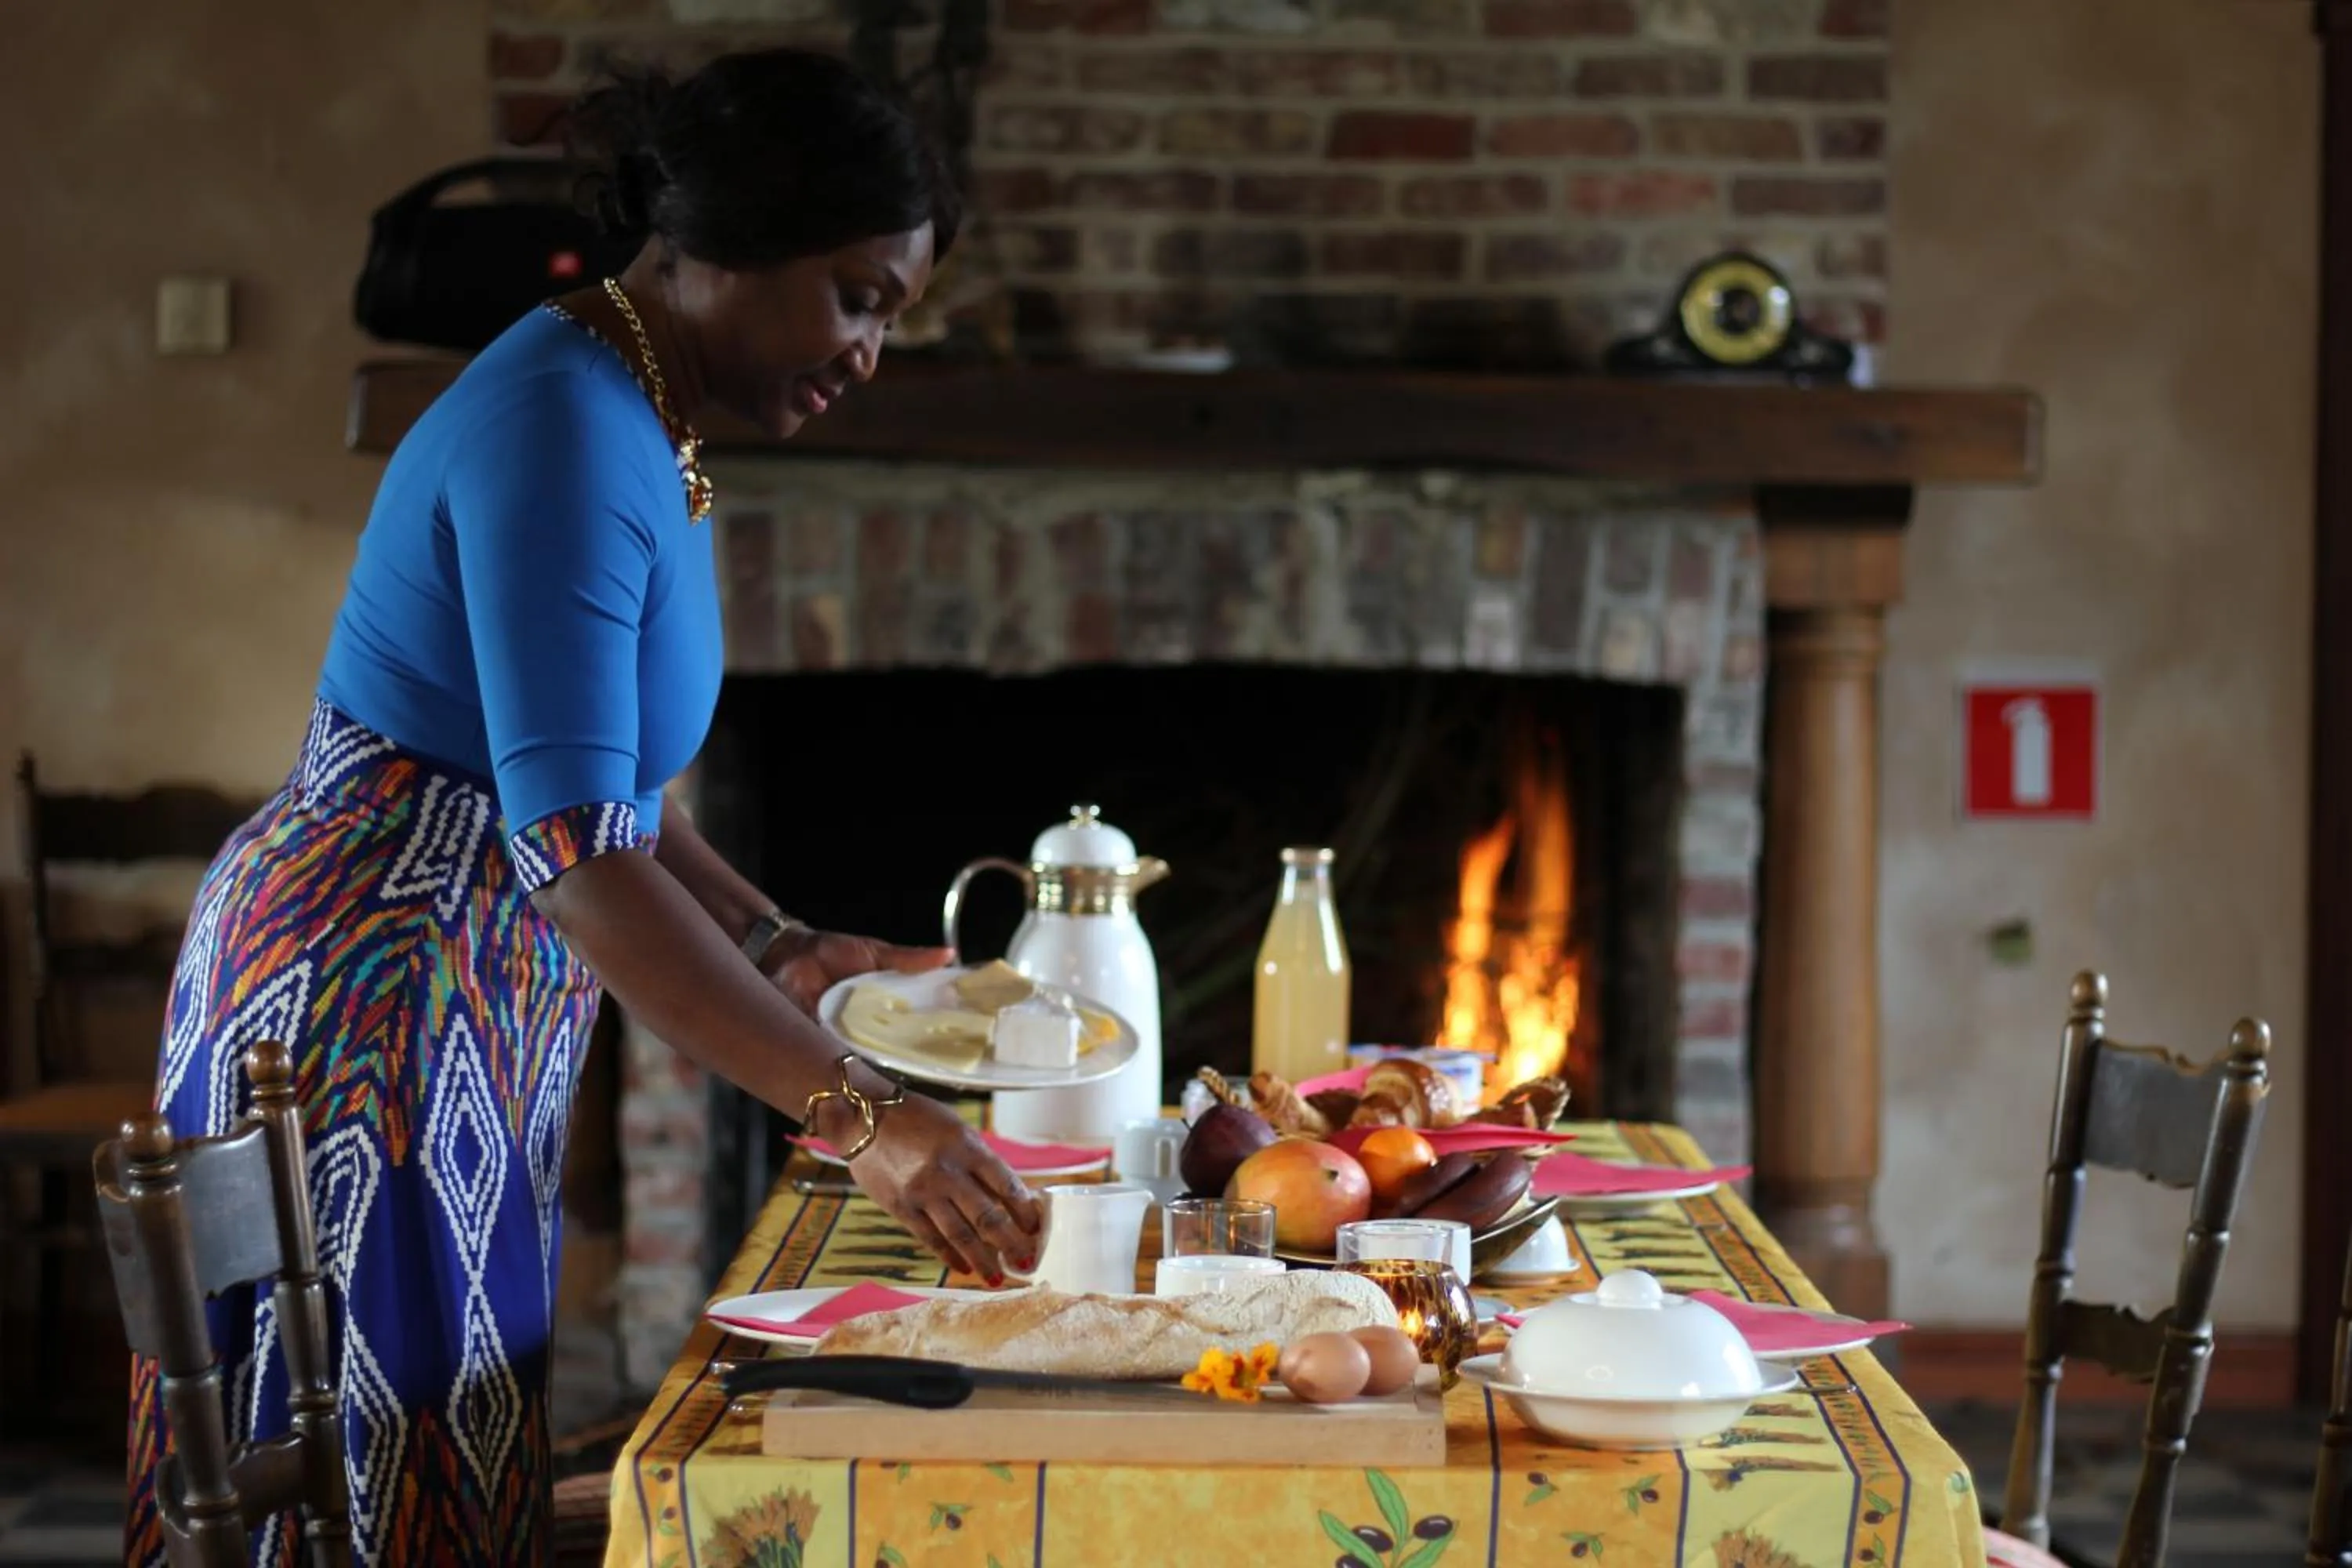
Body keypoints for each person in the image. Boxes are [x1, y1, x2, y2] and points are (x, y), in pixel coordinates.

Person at [126, 47, 1044, 1566]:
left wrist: (776, 943)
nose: (870, 353)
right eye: (857, 297)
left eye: (891, 315)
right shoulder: (565, 426)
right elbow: (575, 859)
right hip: (373, 993)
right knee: (382, 1484)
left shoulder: (635, 404)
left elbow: (604, 784)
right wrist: (862, 1114)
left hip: (456, 977)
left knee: (439, 1460)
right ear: (732, 239)